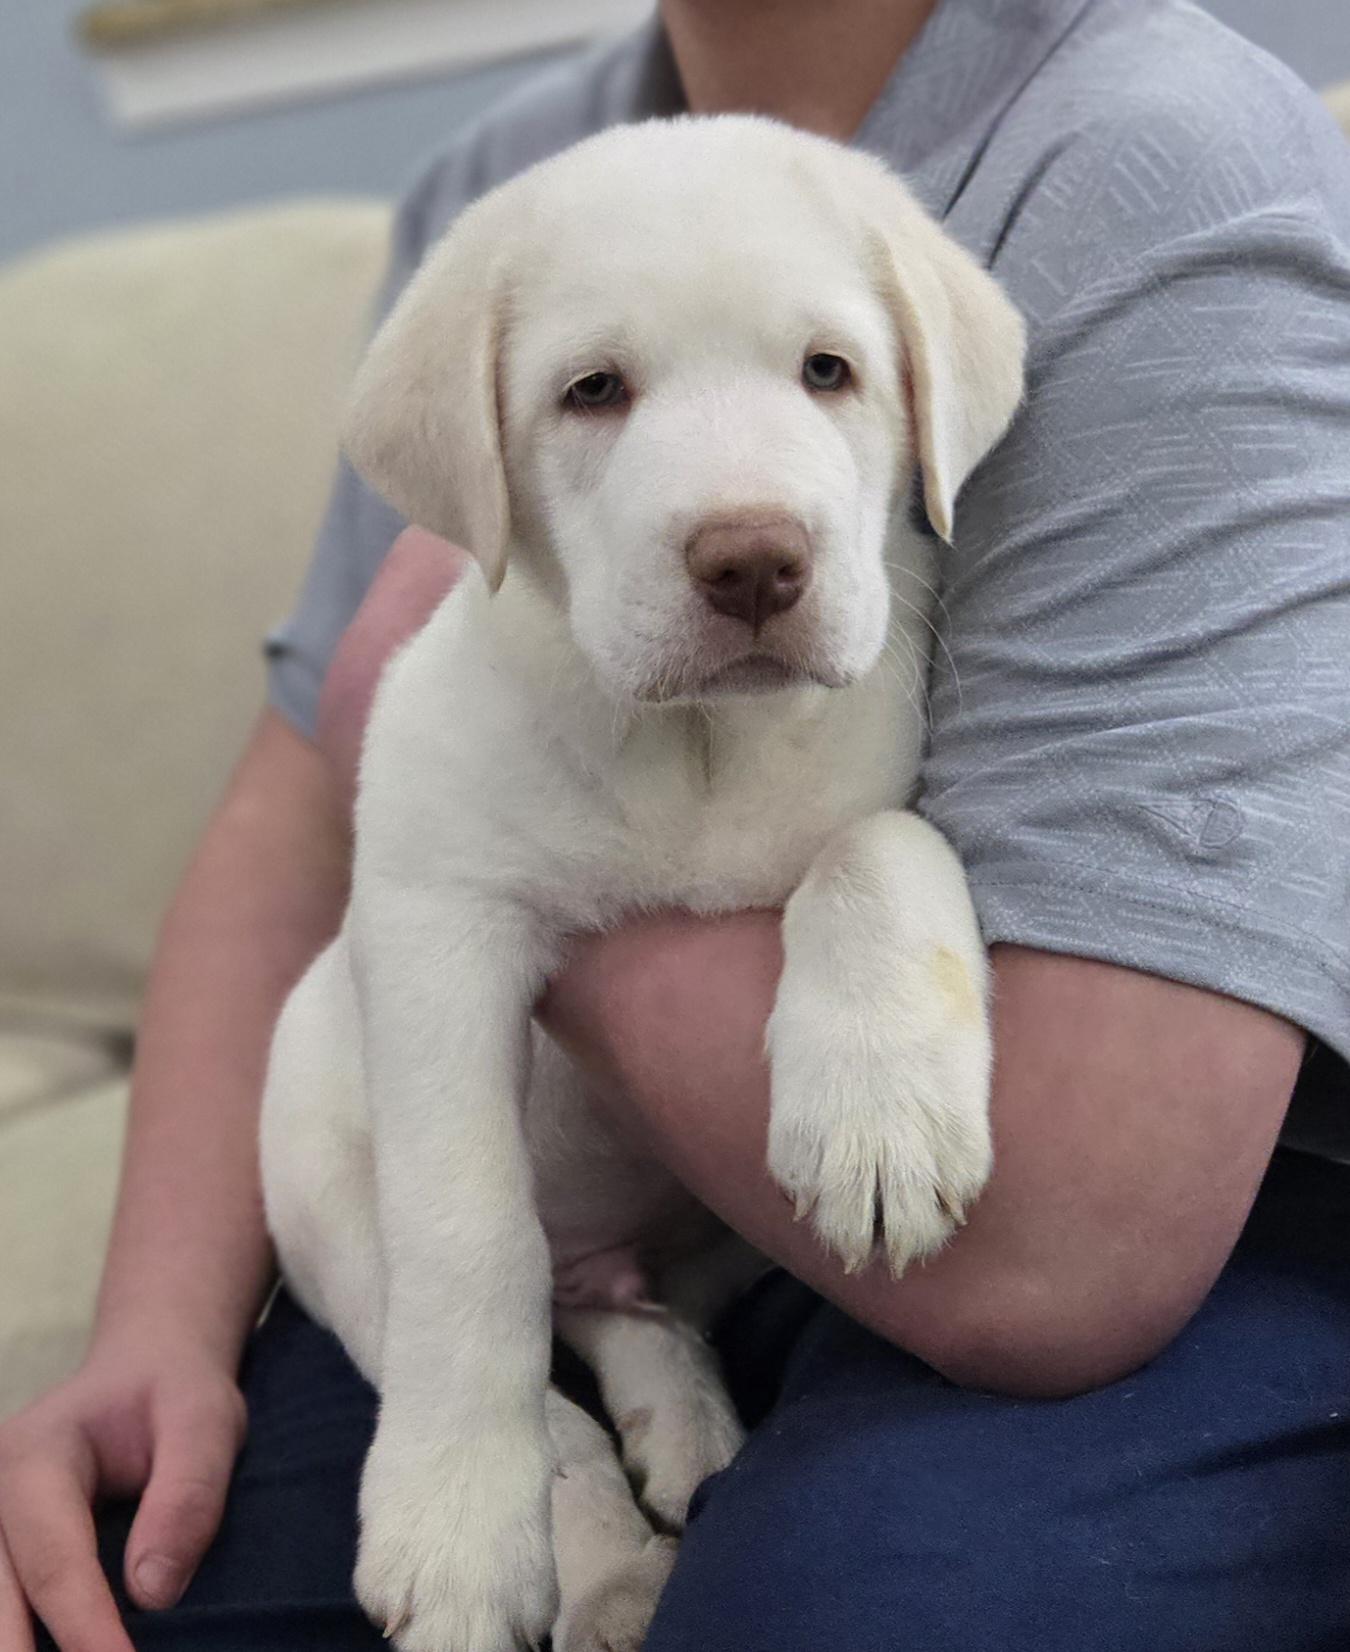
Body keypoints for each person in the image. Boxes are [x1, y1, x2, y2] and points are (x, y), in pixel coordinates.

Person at [4, 0, 1350, 1646]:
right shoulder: (508, 180)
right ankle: (624, 1368)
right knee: (165, 1598)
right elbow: (314, 775)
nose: (744, 519)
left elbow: (1073, 1258)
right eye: (595, 391)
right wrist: (155, 1323)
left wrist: (496, 830)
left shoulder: (1148, 149)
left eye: (826, 370)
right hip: (621, 1193)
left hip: (1159, 1208)